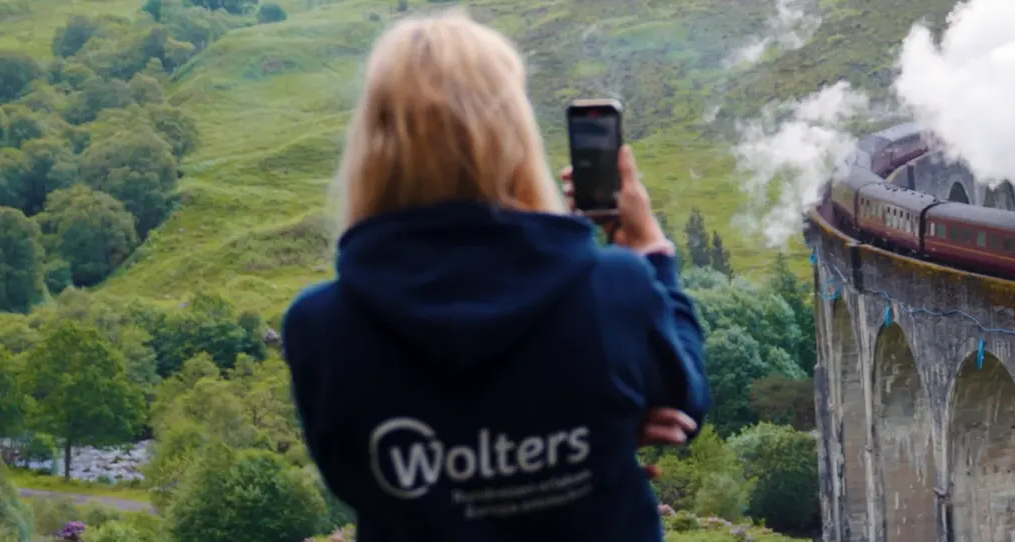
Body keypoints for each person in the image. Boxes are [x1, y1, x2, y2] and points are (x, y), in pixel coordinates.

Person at [279, 9, 709, 541]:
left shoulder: (318, 327)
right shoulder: (613, 287)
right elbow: (685, 402)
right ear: (513, 137)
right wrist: (652, 255)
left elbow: (354, 479)